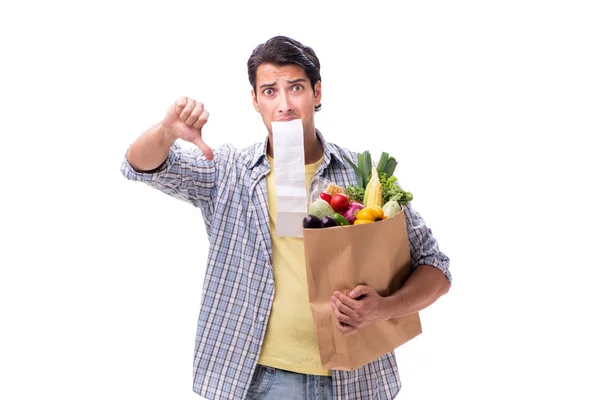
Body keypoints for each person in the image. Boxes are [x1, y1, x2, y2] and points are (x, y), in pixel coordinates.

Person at [120, 35, 451, 400]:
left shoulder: (363, 175)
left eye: (295, 88)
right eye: (269, 91)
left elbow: (435, 267)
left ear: (317, 93)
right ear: (255, 100)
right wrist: (167, 131)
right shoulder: (228, 170)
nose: (284, 105)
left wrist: (383, 309)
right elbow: (142, 166)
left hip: (356, 381)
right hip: (261, 380)